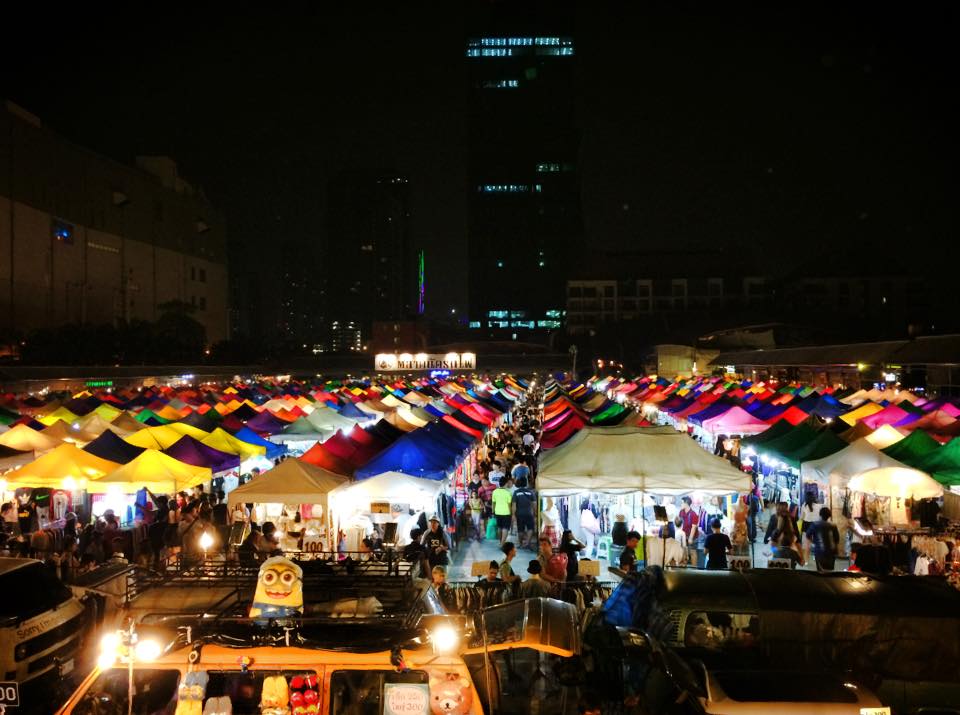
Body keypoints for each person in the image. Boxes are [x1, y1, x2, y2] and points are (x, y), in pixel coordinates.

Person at [805, 507, 841, 571]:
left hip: (819, 552)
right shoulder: (833, 526)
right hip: (831, 553)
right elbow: (837, 540)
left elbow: (808, 537)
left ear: (820, 515)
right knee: (830, 572)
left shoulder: (815, 525)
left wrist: (807, 554)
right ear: (829, 516)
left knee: (821, 573)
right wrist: (837, 552)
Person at [512, 477, 536, 549]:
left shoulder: (516, 492)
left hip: (519, 514)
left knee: (520, 529)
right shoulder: (531, 492)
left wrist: (513, 514)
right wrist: (535, 513)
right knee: (530, 528)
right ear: (526, 483)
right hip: (529, 513)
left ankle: (520, 543)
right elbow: (534, 504)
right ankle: (528, 543)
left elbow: (514, 505)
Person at [678, 496, 701, 568]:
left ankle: (694, 569)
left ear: (686, 504)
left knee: (692, 552)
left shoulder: (693, 514)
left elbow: (694, 527)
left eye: (682, 503)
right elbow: (680, 523)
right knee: (683, 551)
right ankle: (683, 567)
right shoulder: (681, 512)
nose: (680, 504)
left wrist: (690, 538)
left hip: (692, 536)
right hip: (684, 535)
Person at [491, 477, 514, 545]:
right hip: (506, 512)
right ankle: (502, 543)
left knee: (499, 527)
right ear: (506, 483)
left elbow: (493, 503)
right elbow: (510, 505)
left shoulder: (495, 491)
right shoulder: (508, 493)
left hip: (497, 512)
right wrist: (512, 514)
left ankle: (500, 541)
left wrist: (493, 511)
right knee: (505, 528)